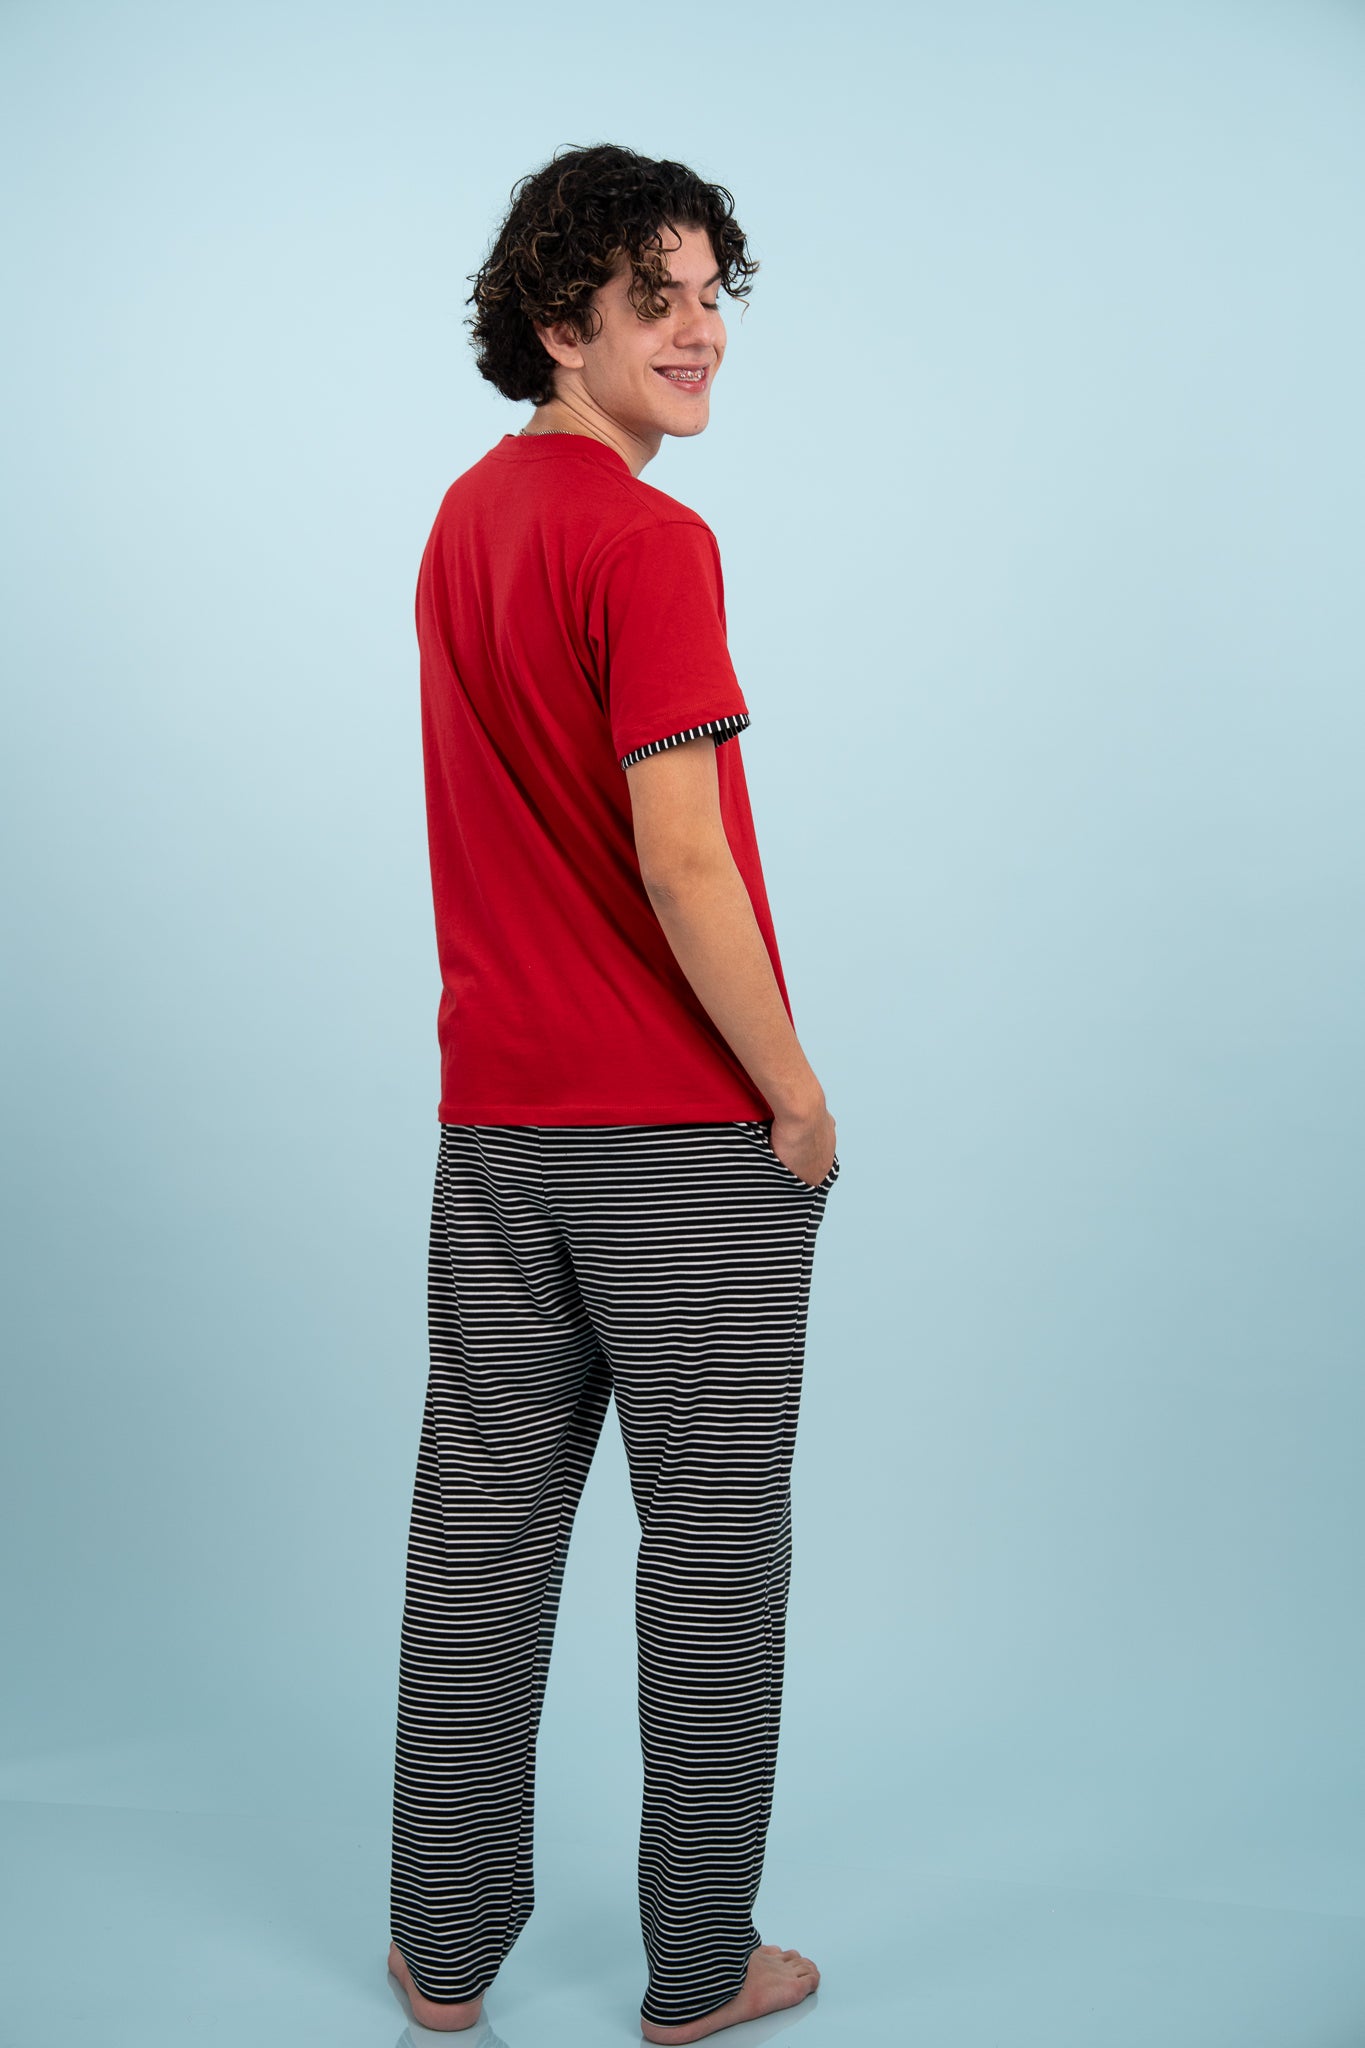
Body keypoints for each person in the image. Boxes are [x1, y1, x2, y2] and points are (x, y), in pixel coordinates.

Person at [386, 141, 841, 2045]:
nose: (697, 329)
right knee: (713, 1561)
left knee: (479, 1538)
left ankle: (441, 1947)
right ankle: (700, 1967)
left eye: (710, 293)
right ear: (555, 323)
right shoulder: (651, 544)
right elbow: (682, 860)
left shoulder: (462, 523)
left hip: (494, 1126)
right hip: (676, 1142)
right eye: (653, 296)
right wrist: (794, 1098)